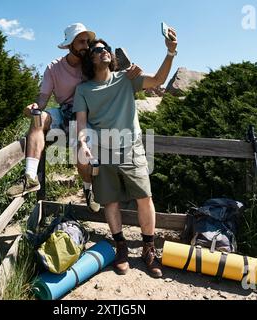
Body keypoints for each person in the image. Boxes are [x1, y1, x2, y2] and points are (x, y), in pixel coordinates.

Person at [73, 28, 178, 278]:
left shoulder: (127, 79)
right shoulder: (83, 90)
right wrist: (82, 143)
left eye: (105, 48)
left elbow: (158, 80)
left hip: (132, 149)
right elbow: (81, 124)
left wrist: (171, 51)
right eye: (97, 50)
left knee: (145, 197)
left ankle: (148, 249)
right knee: (110, 201)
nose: (104, 51)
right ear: (91, 59)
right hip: (102, 150)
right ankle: (120, 247)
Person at [6, 23, 142, 213]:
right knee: (38, 119)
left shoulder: (91, 64)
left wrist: (133, 70)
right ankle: (30, 177)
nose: (86, 46)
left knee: (83, 149)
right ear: (70, 44)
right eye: (81, 42)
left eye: (88, 42)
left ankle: (88, 189)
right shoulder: (53, 68)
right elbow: (42, 100)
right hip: (64, 112)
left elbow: (112, 72)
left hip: (86, 115)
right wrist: (33, 108)